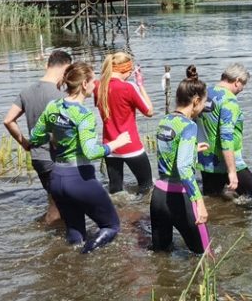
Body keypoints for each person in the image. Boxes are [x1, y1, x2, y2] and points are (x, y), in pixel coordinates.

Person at [26, 62, 131, 253]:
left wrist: (54, 135)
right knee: (111, 226)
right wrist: (117, 143)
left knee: (75, 233)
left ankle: (75, 267)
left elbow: (35, 137)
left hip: (57, 179)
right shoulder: (84, 115)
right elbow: (91, 151)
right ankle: (85, 256)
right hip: (79, 179)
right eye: (93, 79)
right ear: (84, 84)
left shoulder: (53, 106)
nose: (95, 83)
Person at [3, 49, 72, 225]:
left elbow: (8, 120)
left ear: (47, 65)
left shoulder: (26, 91)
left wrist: (25, 143)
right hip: (55, 159)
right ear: (66, 69)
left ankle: (53, 240)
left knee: (58, 204)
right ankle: (42, 240)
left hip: (38, 158)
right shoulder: (61, 97)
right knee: (58, 208)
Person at [151, 78, 212, 254]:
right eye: (204, 101)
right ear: (196, 101)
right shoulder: (189, 126)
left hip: (159, 197)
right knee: (206, 256)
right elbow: (184, 168)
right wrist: (199, 202)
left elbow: (168, 152)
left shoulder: (165, 121)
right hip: (181, 199)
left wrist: (192, 149)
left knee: (161, 257)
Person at [197, 63, 252, 198]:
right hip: (228, 162)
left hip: (206, 161)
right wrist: (232, 171)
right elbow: (226, 137)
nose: (242, 89)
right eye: (243, 85)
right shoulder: (229, 101)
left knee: (212, 200)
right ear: (237, 81)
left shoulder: (204, 94)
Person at [94, 52, 155, 194]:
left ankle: (120, 213)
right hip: (131, 146)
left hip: (110, 146)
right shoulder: (128, 87)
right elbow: (149, 111)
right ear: (125, 70)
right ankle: (143, 215)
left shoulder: (98, 87)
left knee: (115, 190)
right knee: (147, 187)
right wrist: (140, 85)